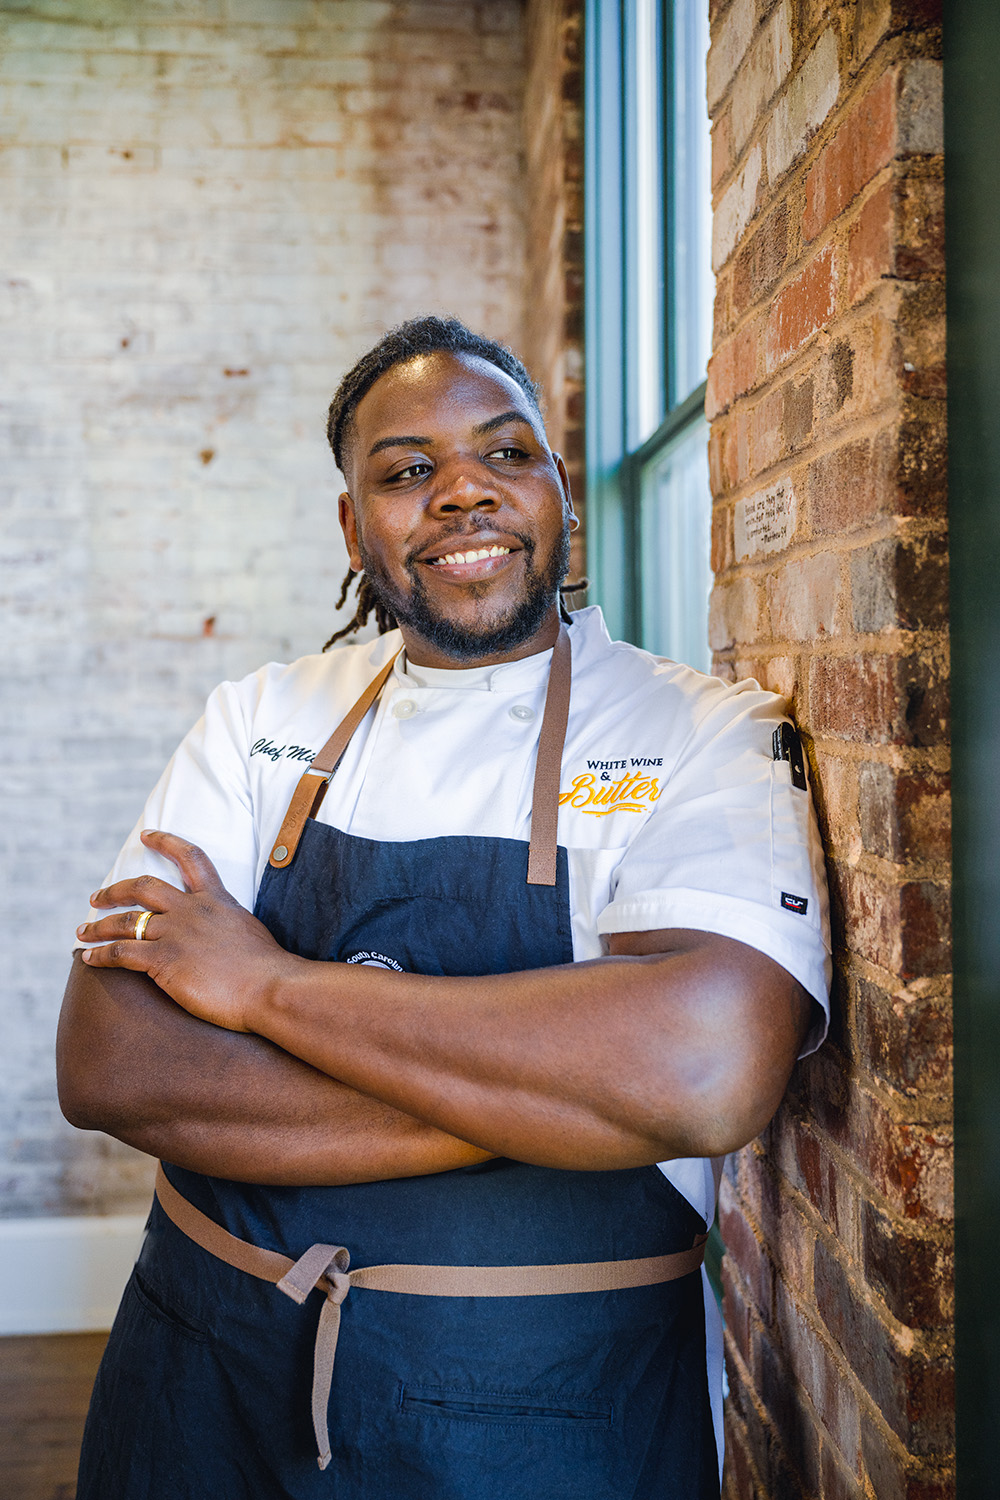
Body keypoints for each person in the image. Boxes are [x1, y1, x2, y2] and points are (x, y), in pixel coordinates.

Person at [58, 315, 830, 1500]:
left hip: (545, 1413)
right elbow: (114, 1063)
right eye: (408, 471)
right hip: (202, 1374)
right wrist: (566, 1091)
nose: (463, 491)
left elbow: (699, 1074)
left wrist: (266, 988)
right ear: (353, 523)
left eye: (506, 453)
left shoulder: (703, 731)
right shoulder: (257, 717)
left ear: (558, 487)